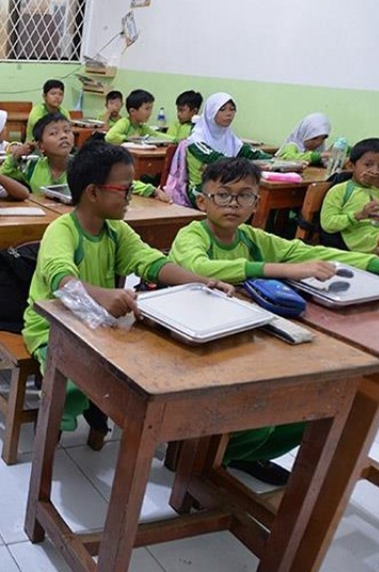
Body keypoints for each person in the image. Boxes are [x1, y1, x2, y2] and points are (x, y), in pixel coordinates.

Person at [168, 157, 379, 483]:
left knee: (311, 408)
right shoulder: (193, 234)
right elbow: (199, 268)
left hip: (243, 337)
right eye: (223, 195)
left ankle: (237, 455)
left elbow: (313, 254)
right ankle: (202, 456)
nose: (233, 204)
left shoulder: (253, 238)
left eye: (245, 195)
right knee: (254, 418)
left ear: (256, 202)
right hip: (194, 343)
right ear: (202, 201)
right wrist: (280, 269)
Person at [21, 144, 230, 437]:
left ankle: (113, 412)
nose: (130, 196)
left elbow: (150, 261)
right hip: (52, 327)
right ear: (93, 193)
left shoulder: (115, 230)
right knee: (75, 382)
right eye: (125, 190)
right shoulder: (62, 230)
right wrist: (104, 295)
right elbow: (61, 280)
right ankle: (55, 417)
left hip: (99, 324)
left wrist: (200, 282)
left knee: (158, 362)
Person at [177, 92, 271, 205]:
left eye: (232, 109)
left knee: (253, 195)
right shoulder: (196, 140)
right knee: (243, 197)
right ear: (211, 112)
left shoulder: (230, 137)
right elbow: (217, 161)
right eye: (222, 110)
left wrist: (275, 161)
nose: (229, 114)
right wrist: (249, 165)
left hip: (228, 184)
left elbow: (252, 153)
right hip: (201, 188)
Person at [321, 138, 379, 253]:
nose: (375, 171)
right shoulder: (340, 190)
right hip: (364, 246)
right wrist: (359, 215)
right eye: (368, 165)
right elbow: (328, 223)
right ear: (351, 166)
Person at [3, 112, 72, 194]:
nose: (64, 136)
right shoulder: (32, 167)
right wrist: (16, 155)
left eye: (67, 131)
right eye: (54, 133)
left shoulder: (81, 168)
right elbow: (4, 175)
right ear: (40, 146)